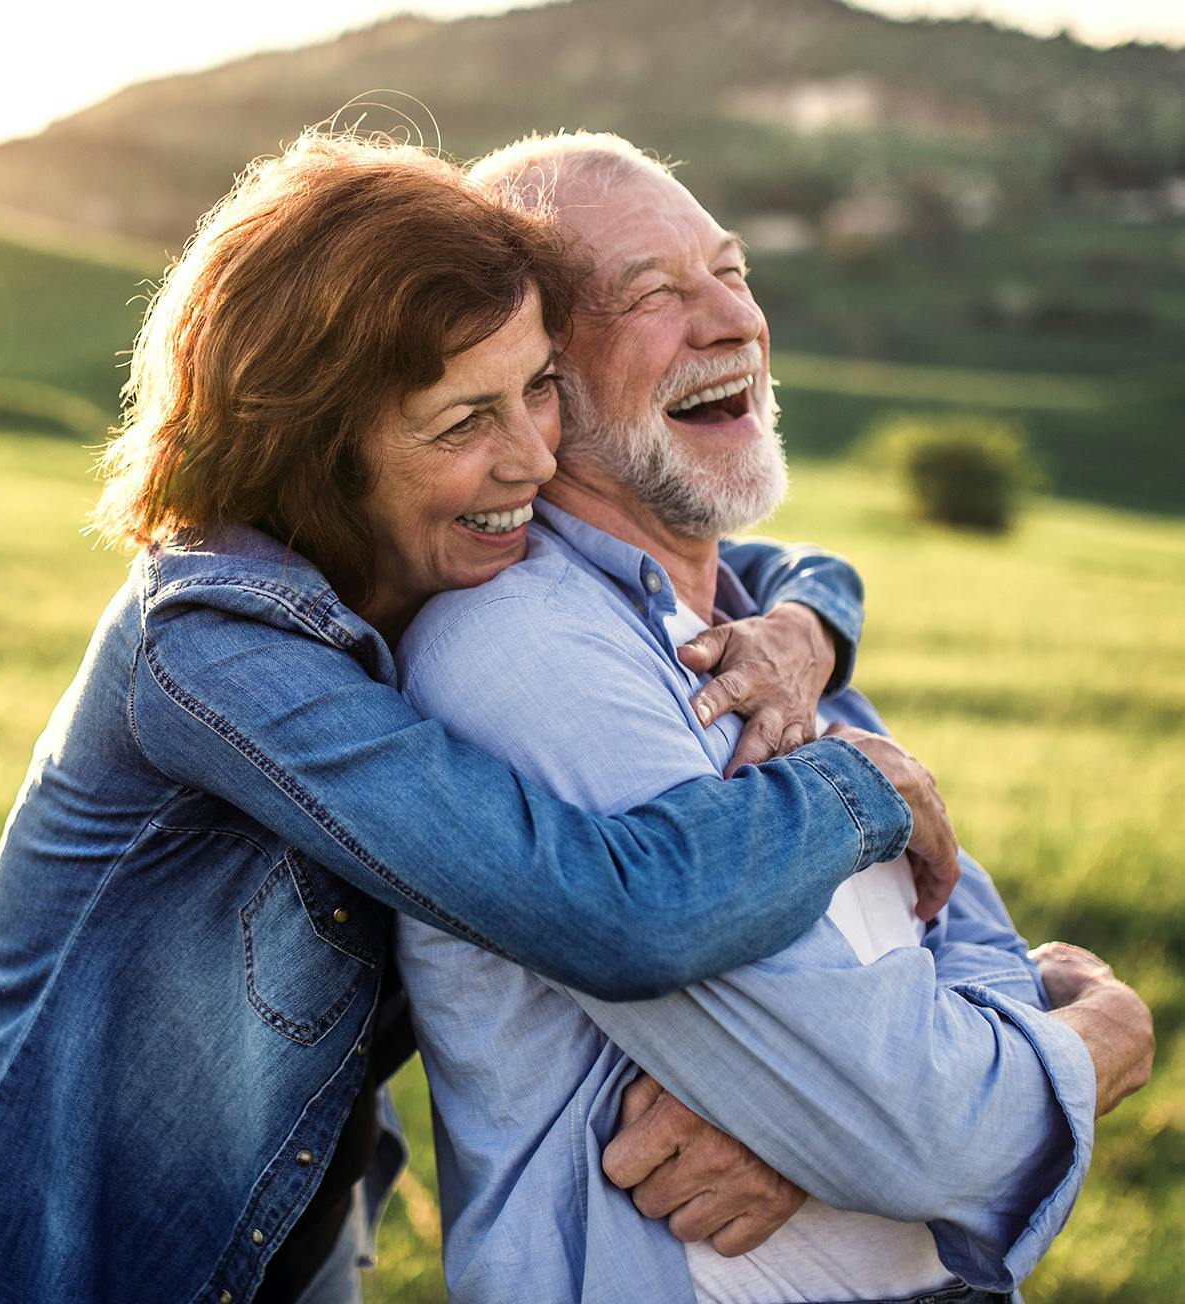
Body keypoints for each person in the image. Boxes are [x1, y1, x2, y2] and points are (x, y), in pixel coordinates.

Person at [0, 132, 964, 1304]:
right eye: (461, 422)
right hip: (76, 1255)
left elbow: (779, 561)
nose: (531, 457)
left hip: (294, 1218)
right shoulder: (211, 652)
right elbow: (606, 910)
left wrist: (802, 632)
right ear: (319, 450)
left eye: (536, 386)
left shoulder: (422, 550)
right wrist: (860, 788)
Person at [394, 132, 1155, 1304]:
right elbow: (922, 1131)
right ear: (536, 379)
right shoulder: (528, 648)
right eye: (650, 293)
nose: (731, 322)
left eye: (732, 271)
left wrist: (822, 1119)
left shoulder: (767, 636)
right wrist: (1105, 1035)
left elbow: (963, 950)